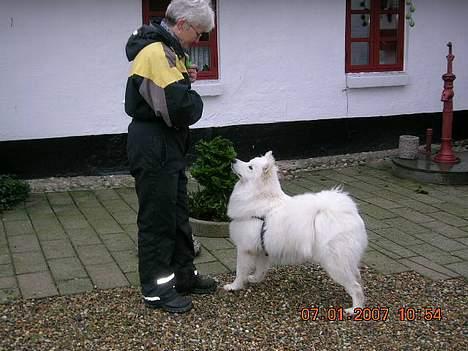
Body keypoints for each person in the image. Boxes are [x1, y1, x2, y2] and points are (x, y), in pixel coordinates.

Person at [124, 0, 216, 313]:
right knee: (157, 221)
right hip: (154, 146)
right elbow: (180, 108)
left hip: (166, 146)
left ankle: (184, 276)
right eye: (200, 33)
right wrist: (192, 96)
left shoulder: (170, 53)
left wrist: (184, 81)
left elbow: (170, 95)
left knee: (177, 217)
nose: (199, 40)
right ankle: (155, 290)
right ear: (182, 25)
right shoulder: (156, 53)